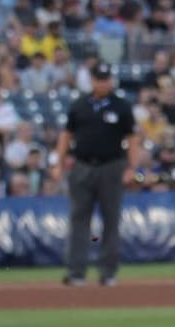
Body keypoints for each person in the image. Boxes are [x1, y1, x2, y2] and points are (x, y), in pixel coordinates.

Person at [54, 63, 138, 286]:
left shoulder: (121, 107)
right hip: (82, 166)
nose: (103, 83)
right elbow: (66, 135)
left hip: (111, 167)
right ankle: (76, 272)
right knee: (79, 220)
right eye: (99, 79)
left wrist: (131, 167)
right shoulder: (79, 105)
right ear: (92, 81)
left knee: (111, 220)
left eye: (106, 79)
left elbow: (131, 138)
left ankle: (108, 272)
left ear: (111, 80)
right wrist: (58, 163)